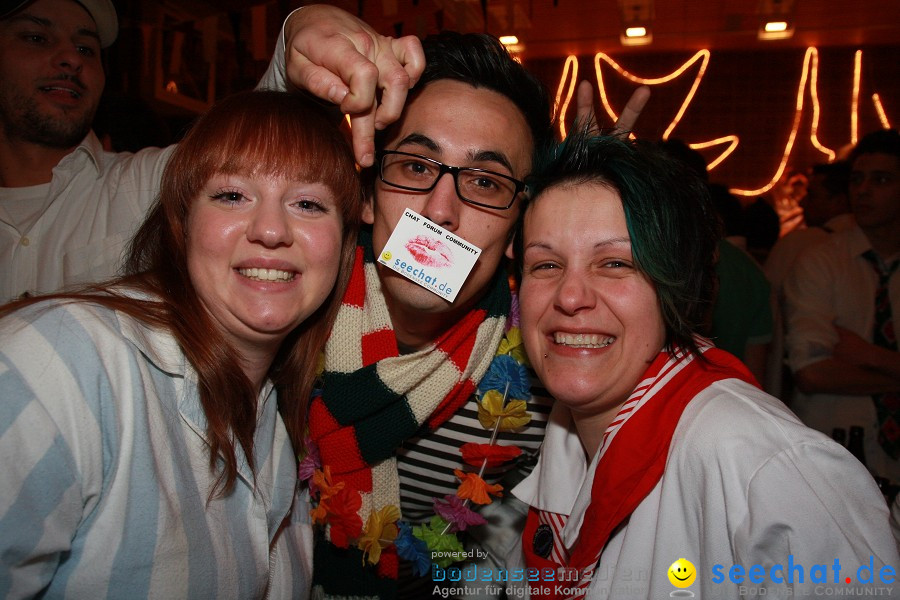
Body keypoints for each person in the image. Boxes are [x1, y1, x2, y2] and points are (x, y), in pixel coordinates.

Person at [0, 90, 363, 599]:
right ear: (181, 223)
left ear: (344, 246)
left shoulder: (281, 428)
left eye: (308, 203)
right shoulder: (61, 363)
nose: (272, 230)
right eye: (233, 195)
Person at [505, 129, 898, 599]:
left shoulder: (763, 466)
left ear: (676, 284)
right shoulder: (564, 438)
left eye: (615, 264)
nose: (569, 296)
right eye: (545, 265)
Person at [784, 128, 900, 483]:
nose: (863, 190)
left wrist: (870, 356)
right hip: (836, 454)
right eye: (857, 179)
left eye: (880, 180)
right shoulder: (821, 261)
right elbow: (813, 373)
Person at [764, 160, 855, 398]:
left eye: (813, 196)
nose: (802, 203)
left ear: (840, 201)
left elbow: (767, 314)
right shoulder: (809, 249)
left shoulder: (799, 245)